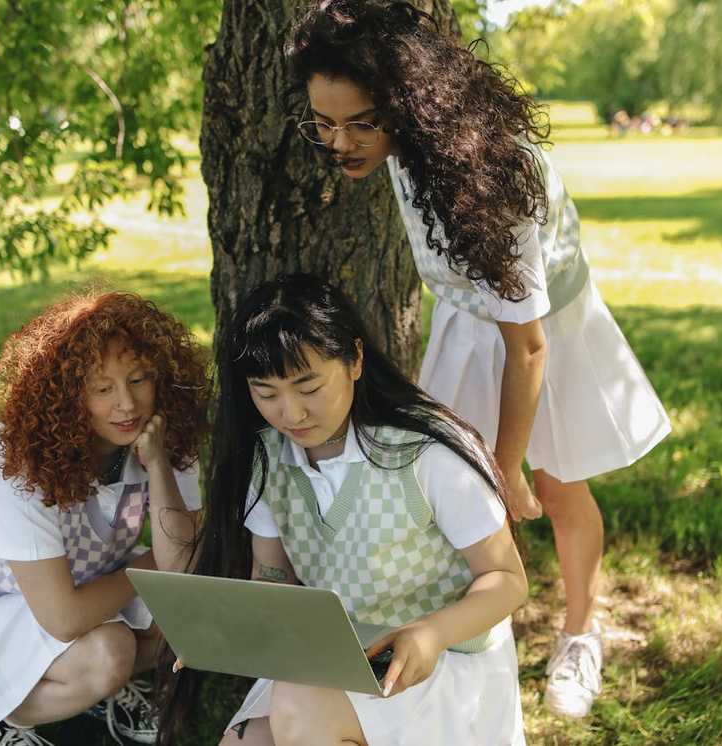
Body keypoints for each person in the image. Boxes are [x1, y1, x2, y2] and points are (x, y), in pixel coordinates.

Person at [287, 0, 672, 718]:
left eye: (360, 120)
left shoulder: (494, 175)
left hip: (544, 331)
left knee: (555, 486)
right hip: (470, 326)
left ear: (409, 104)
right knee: (447, 496)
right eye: (324, 121)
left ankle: (582, 632)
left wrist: (506, 463)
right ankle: (466, 640)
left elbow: (526, 346)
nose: (339, 142)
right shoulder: (403, 152)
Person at [162, 274, 529, 746]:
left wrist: (432, 633)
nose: (291, 413)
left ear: (354, 360)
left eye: (308, 386)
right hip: (333, 659)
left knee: (298, 707)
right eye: (267, 393)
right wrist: (227, 630)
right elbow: (272, 579)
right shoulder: (268, 456)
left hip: (444, 659)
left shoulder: (427, 454)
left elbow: (509, 580)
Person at [0, 290, 210, 745]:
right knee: (110, 653)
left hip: (90, 590)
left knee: (189, 619)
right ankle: (3, 718)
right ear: (70, 396)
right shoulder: (21, 464)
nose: (126, 405)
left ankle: (92, 693)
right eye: (102, 388)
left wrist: (160, 467)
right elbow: (64, 618)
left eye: (139, 379)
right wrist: (150, 569)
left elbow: (187, 565)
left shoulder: (165, 433)